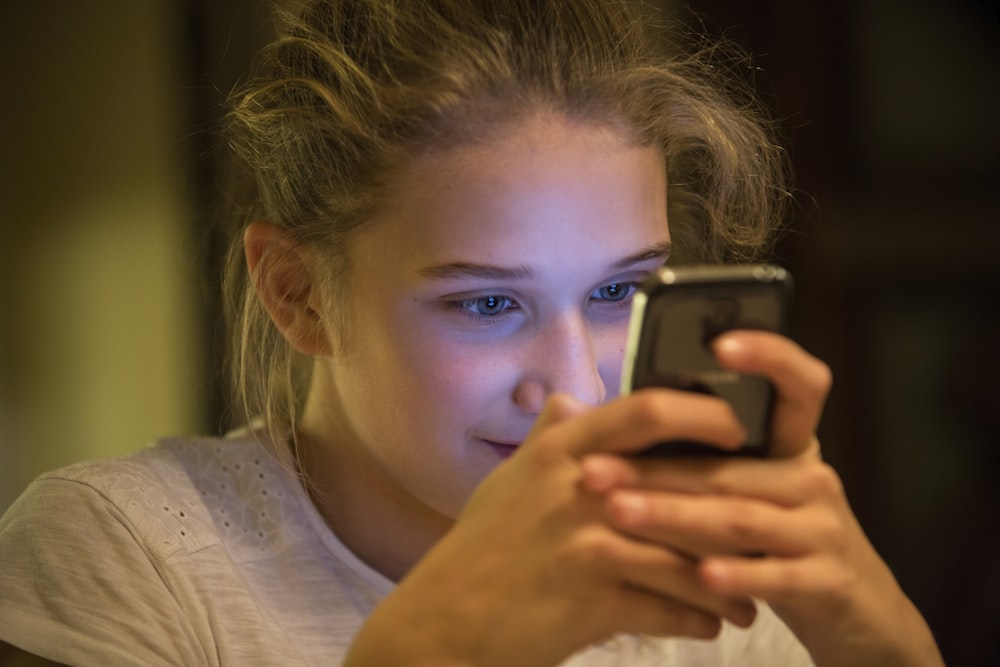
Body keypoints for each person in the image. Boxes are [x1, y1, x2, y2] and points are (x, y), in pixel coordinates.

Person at [0, 1, 944, 665]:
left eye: (621, 291)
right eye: (489, 303)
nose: (575, 391)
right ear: (296, 293)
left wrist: (885, 642)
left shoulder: (712, 592)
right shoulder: (123, 559)